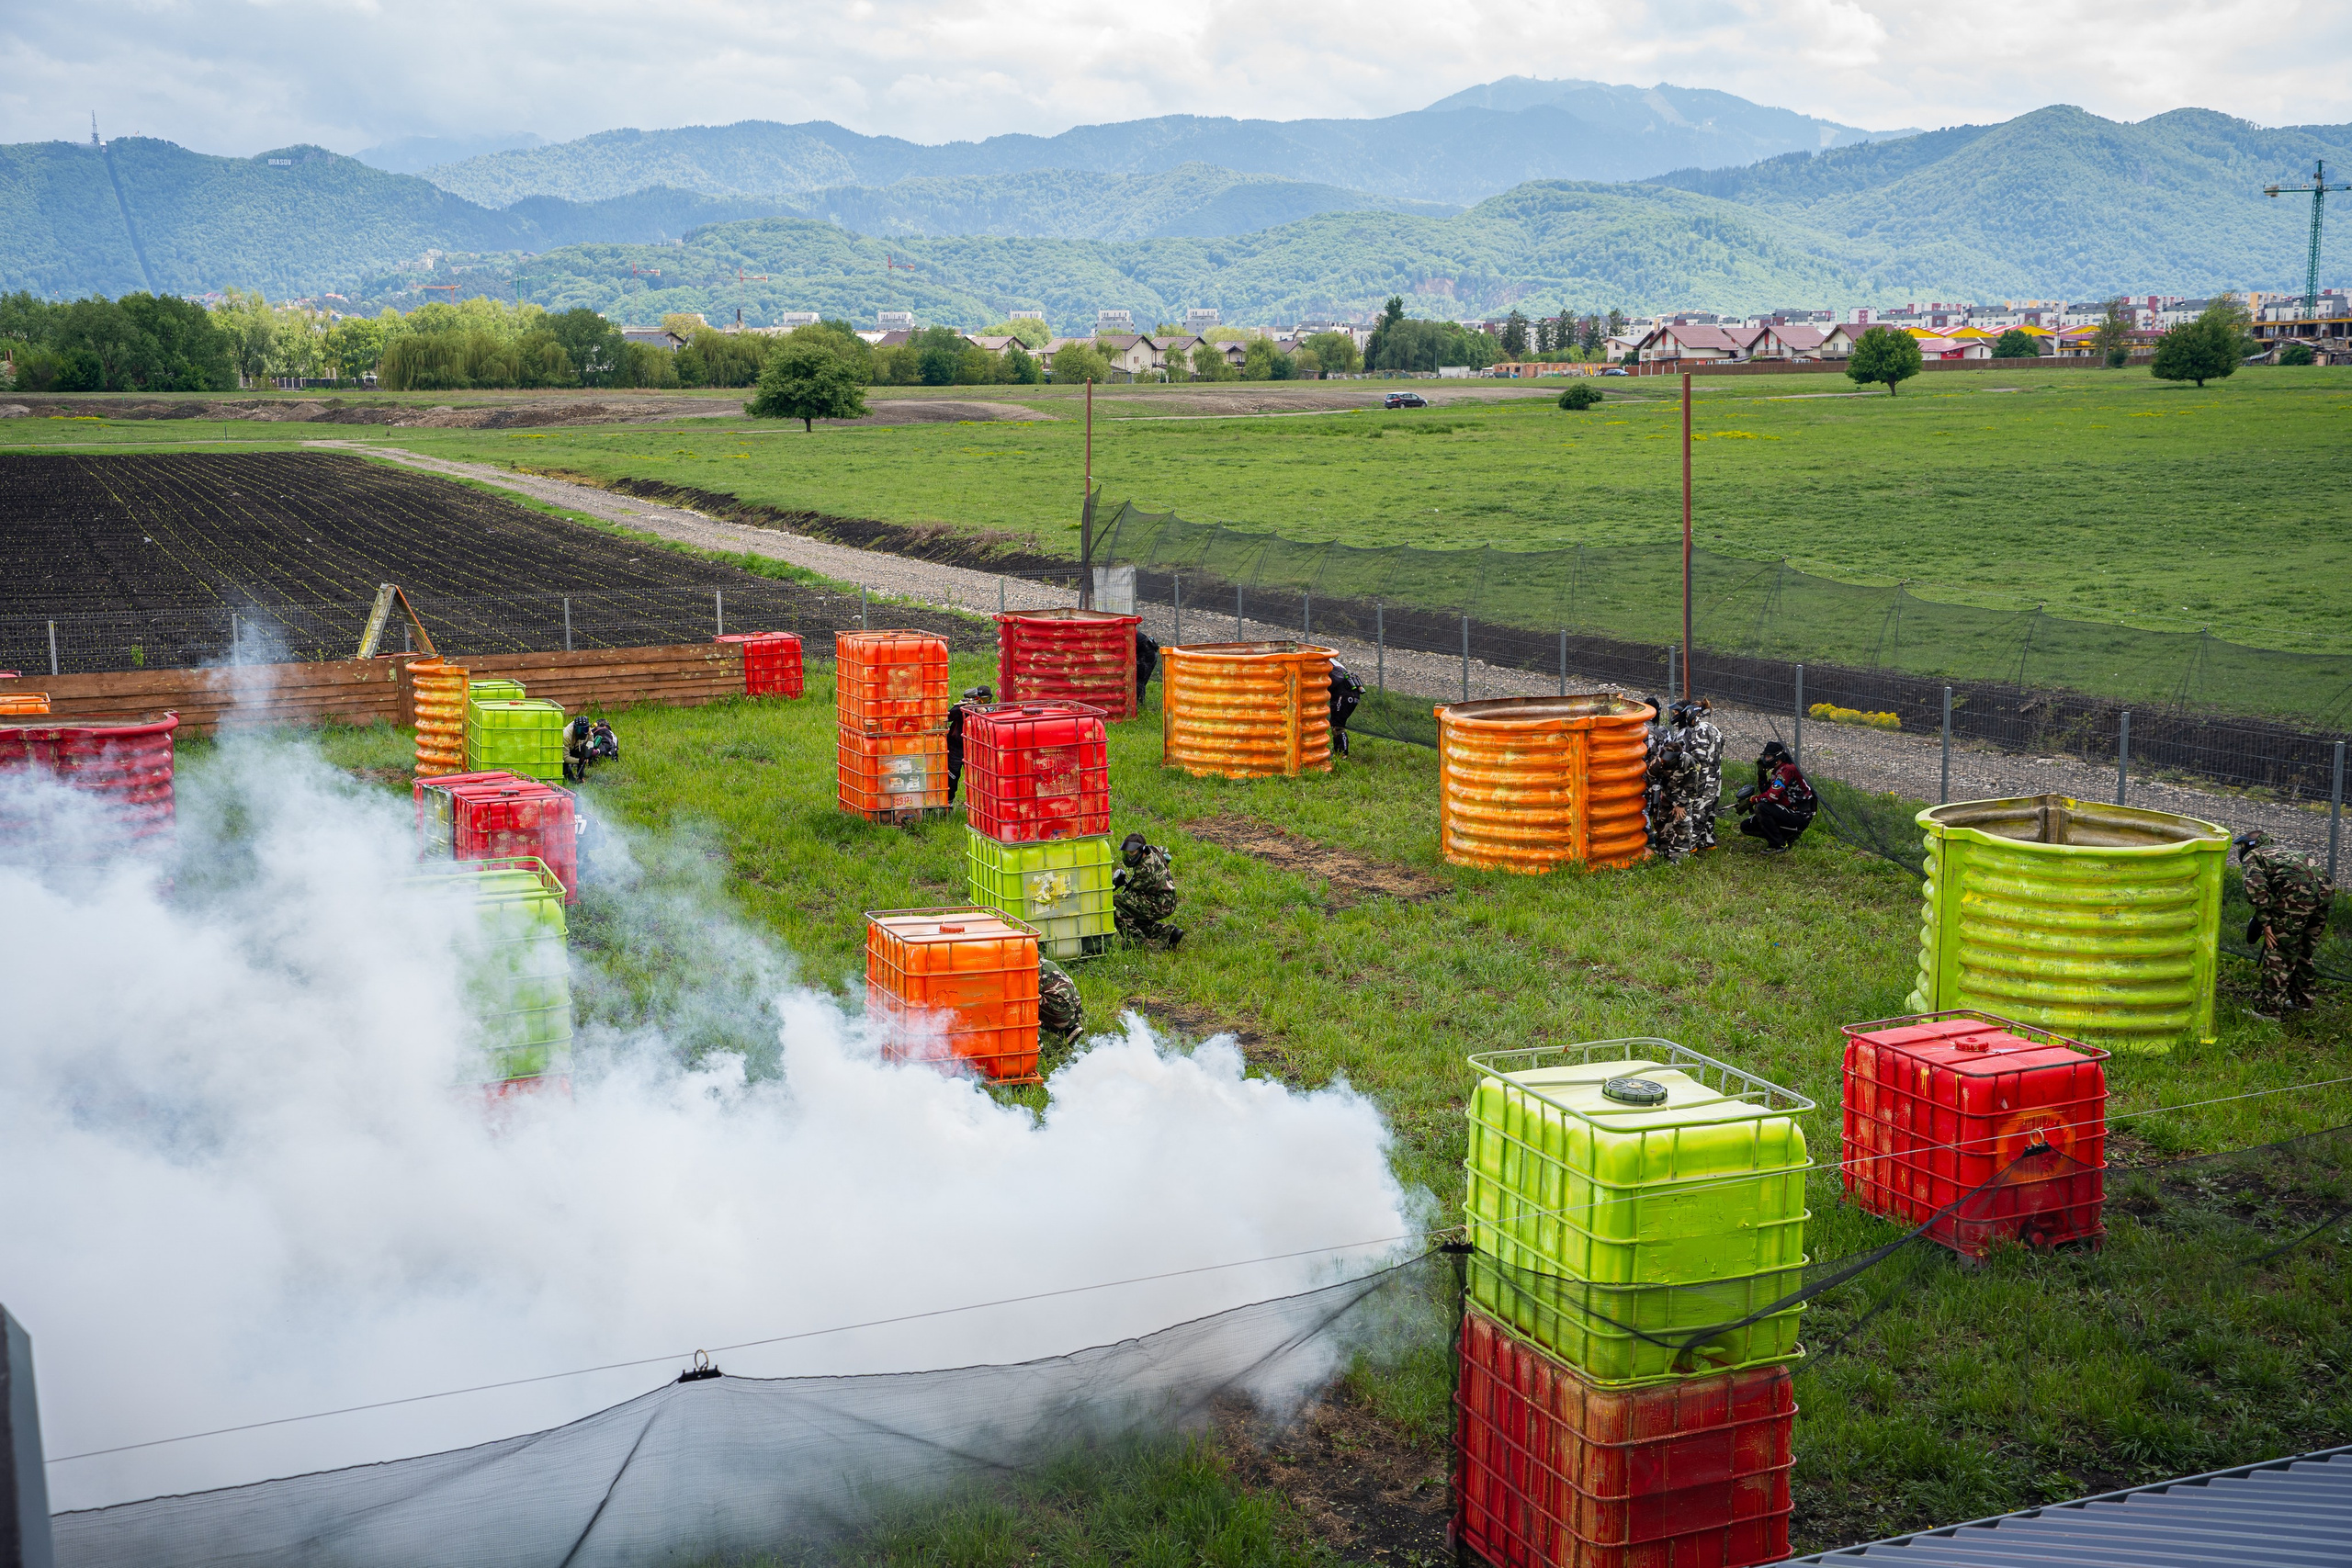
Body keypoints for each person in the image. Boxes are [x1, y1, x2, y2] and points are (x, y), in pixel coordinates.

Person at [2237, 829, 2334, 1017]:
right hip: (2326, 894)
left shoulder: (2254, 855)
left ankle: (2269, 1012)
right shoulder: (2284, 852)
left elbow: (2256, 889)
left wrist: (2266, 922)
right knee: (2304, 950)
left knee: (2279, 951)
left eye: (2241, 846)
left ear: (2250, 845)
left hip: (2298, 895)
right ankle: (2303, 1002)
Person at [1735, 740, 1815, 852]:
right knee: (1747, 826)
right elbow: (1767, 791)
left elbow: (1771, 796)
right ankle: (1785, 837)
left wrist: (1752, 800)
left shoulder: (1787, 770)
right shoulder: (1778, 770)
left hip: (1799, 815)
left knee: (1762, 807)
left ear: (1778, 757)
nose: (1765, 760)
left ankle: (1778, 845)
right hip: (1788, 811)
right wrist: (1761, 775)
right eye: (1765, 757)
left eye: (1768, 757)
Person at [1667, 698, 1725, 851]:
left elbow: (1697, 758)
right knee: (1710, 810)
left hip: (1704, 777)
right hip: (1716, 775)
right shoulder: (1714, 729)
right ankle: (1707, 841)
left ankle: (1689, 845)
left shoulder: (1700, 729)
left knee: (1699, 811)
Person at [1113, 830, 1182, 947]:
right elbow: (1165, 852)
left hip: (1162, 903)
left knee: (1116, 903)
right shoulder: (1153, 849)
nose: (1130, 855)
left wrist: (1118, 884)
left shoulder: (1145, 870)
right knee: (1136, 917)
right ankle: (1169, 932)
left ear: (1141, 850)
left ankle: (1136, 941)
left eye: (1132, 852)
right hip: (1169, 897)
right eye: (1127, 853)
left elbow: (1132, 892)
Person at [1645, 733, 1698, 861]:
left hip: (1682, 794)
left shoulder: (1687, 761)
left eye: (1667, 759)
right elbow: (1650, 777)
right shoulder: (1658, 762)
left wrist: (1681, 804)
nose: (1664, 761)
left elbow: (1691, 785)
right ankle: (1663, 850)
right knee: (1661, 822)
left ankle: (1679, 856)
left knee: (1681, 822)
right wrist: (1656, 791)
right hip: (1665, 795)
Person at [944, 684, 993, 803]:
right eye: (979, 700)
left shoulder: (990, 709)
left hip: (975, 749)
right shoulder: (963, 707)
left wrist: (983, 712)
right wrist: (962, 707)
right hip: (956, 749)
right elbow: (947, 717)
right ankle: (949, 803)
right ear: (975, 698)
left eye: (985, 700)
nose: (982, 702)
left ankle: (978, 804)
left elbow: (993, 722)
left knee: (978, 779)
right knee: (952, 778)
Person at [1036, 957, 1084, 1066]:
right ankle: (1070, 1029)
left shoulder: (1028, 969)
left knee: (1020, 1000)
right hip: (1076, 1011)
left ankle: (1033, 1041)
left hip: (1061, 1014)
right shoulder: (1045, 962)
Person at [561, 716, 618, 783]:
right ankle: (567, 775)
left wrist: (588, 754)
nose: (583, 732)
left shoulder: (589, 732)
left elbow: (589, 746)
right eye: (580, 730)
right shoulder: (566, 736)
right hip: (566, 749)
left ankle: (580, 778)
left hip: (577, 745)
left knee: (583, 753)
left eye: (585, 729)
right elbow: (565, 757)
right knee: (565, 769)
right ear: (575, 728)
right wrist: (579, 760)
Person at [1329, 660, 1365, 758]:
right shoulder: (1331, 661)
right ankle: (1340, 754)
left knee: (1338, 726)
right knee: (1338, 725)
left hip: (1344, 694)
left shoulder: (1321, 663)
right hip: (1353, 693)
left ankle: (1342, 756)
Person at [1135, 630, 1161, 708]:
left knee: (1139, 681)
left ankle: (1139, 705)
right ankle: (1139, 704)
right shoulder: (1131, 631)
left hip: (1147, 655)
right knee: (1140, 682)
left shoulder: (1128, 632)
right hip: (1150, 653)